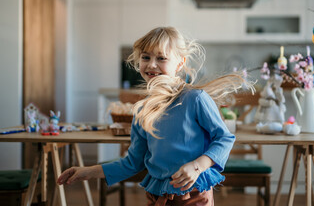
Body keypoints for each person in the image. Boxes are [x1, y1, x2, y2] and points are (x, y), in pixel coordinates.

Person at [57, 27, 254, 205]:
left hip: (193, 194)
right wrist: (88, 171)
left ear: (180, 63)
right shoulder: (142, 111)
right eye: (145, 57)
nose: (152, 65)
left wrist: (197, 166)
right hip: (157, 194)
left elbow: (225, 138)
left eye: (161, 58)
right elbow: (133, 163)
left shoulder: (195, 99)